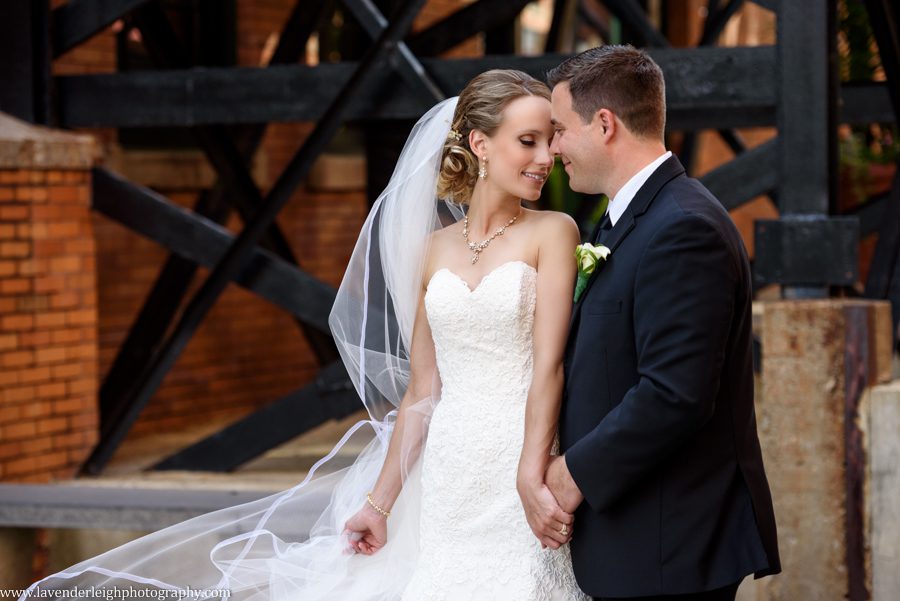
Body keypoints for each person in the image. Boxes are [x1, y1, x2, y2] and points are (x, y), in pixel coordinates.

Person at [20, 70, 588, 600]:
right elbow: (421, 393)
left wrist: (531, 471)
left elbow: (548, 368)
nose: (546, 159)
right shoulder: (434, 250)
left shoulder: (553, 232)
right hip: (447, 473)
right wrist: (380, 504)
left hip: (519, 464)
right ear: (481, 145)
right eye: (529, 141)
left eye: (550, 141)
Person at [539, 45, 782, 601]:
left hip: (669, 546)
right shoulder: (630, 219)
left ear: (604, 125)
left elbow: (675, 394)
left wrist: (572, 474)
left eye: (559, 130)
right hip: (641, 540)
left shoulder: (682, 229)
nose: (554, 149)